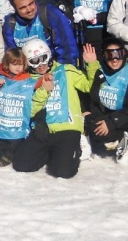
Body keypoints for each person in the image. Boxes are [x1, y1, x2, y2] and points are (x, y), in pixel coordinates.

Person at [11, 37, 97, 179]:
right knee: (21, 165)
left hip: (66, 126)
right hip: (43, 129)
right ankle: (53, 152)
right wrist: (43, 91)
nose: (41, 64)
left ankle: (76, 146)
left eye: (43, 58)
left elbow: (89, 87)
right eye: (34, 61)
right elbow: (30, 110)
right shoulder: (29, 80)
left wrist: (92, 64)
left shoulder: (67, 70)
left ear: (49, 55)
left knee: (63, 172)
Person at [83, 38, 128, 161]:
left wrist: (111, 122)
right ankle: (110, 137)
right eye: (109, 55)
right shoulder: (100, 68)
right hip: (106, 112)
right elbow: (92, 93)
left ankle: (125, 137)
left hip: (127, 118)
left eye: (118, 54)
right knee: (89, 123)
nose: (115, 59)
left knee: (99, 129)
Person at [3, 0, 77, 65]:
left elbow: (67, 47)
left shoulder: (50, 14)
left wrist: (63, 71)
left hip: (52, 66)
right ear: (15, 9)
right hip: (26, 70)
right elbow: (12, 54)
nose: (29, 10)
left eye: (31, 4)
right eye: (23, 8)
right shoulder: (10, 23)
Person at [0, 48, 36, 167]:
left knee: (15, 141)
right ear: (7, 64)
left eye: (20, 64)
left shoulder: (27, 80)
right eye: (14, 64)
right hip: (2, 120)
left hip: (18, 122)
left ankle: (9, 156)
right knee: (1, 141)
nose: (18, 67)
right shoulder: (0, 77)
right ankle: (3, 154)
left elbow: (36, 85)